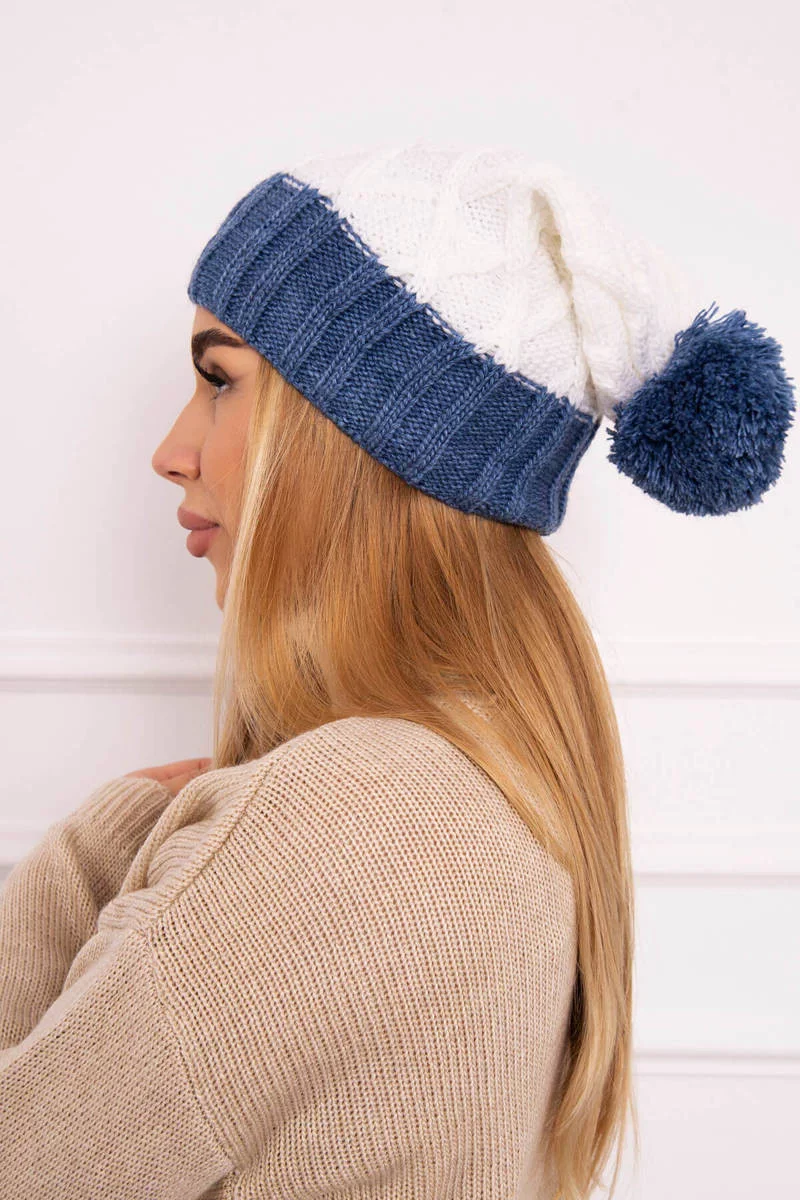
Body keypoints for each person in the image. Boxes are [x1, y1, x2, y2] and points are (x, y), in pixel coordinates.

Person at [0, 142, 794, 1200]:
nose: (171, 450)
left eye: (220, 381)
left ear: (354, 438)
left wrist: (89, 849)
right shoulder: (487, 779)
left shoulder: (348, 818)